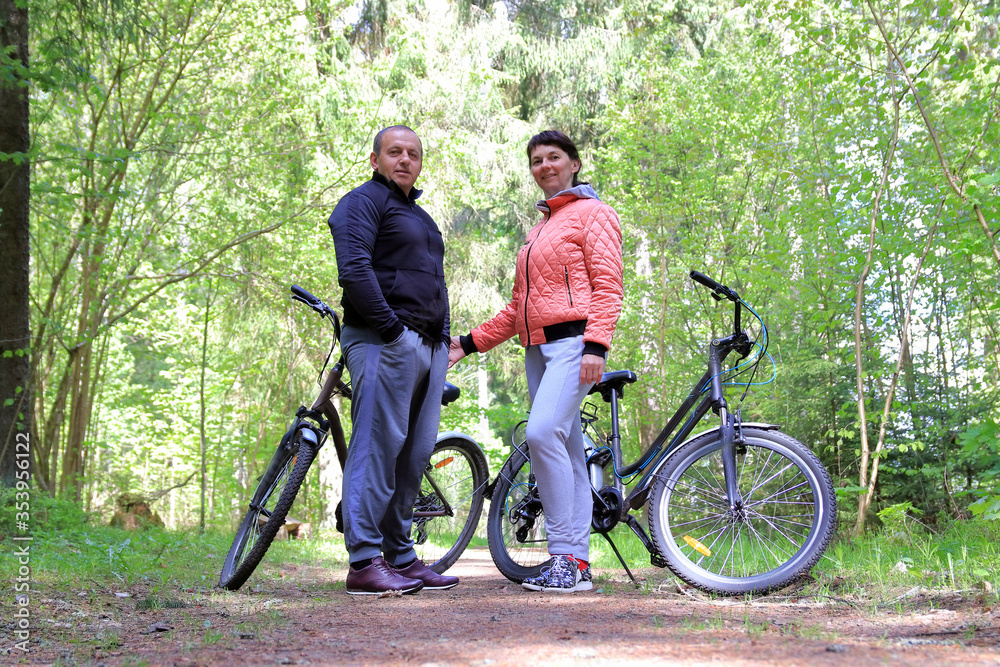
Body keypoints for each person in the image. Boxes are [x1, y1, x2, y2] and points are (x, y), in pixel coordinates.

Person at [449, 130, 624, 593]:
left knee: (541, 432)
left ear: (574, 165)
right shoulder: (538, 230)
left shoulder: (594, 215)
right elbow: (517, 308)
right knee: (564, 451)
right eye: (536, 160)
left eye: (554, 158)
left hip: (573, 345)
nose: (544, 166)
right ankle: (577, 565)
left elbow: (608, 287)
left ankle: (564, 556)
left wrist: (596, 346)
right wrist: (467, 343)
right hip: (536, 349)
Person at [328, 125, 458, 595]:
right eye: (395, 152)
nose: (405, 160)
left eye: (414, 154)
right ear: (375, 159)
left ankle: (400, 555)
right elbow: (354, 268)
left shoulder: (419, 216)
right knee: (377, 448)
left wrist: (440, 340)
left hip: (427, 346)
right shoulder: (361, 202)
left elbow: (433, 280)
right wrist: (393, 331)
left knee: (413, 455)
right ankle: (364, 561)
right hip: (384, 341)